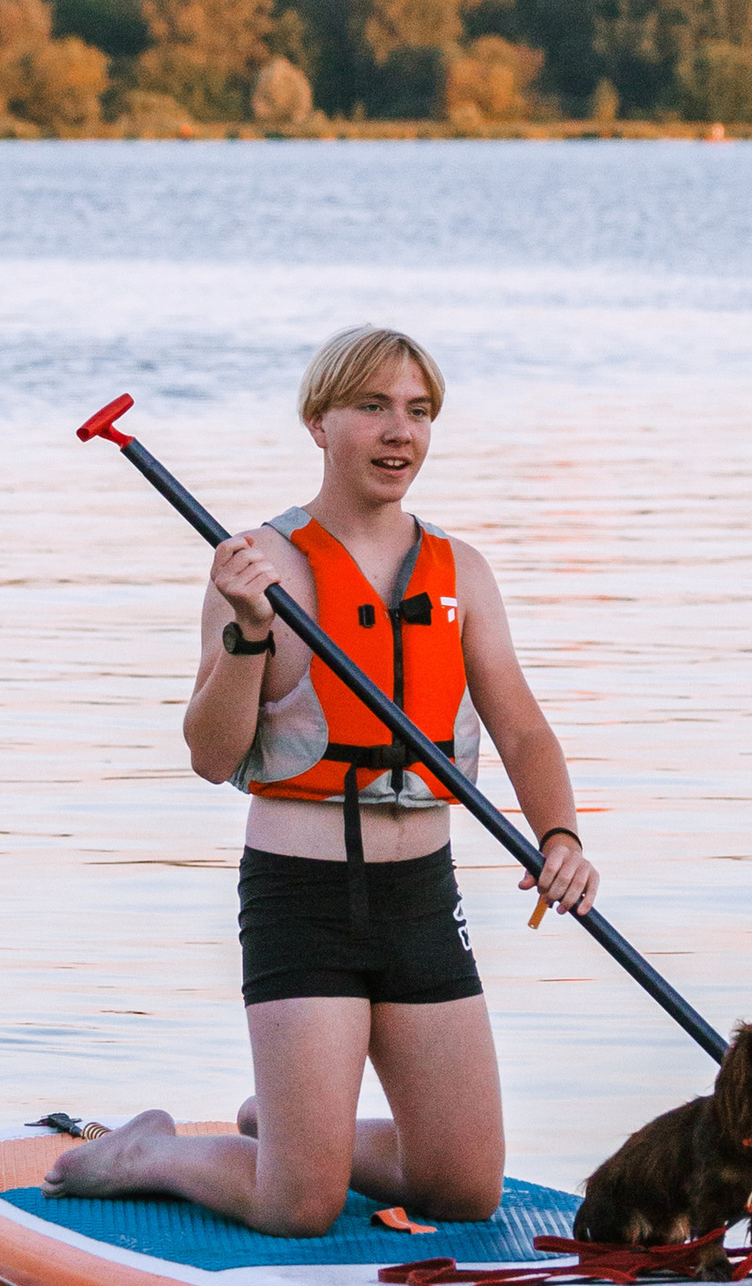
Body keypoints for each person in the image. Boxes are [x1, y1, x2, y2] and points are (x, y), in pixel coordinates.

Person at [56, 324, 598, 1234]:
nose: (400, 433)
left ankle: (295, 1126)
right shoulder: (259, 567)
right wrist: (248, 633)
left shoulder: (461, 569)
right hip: (303, 898)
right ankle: (150, 1152)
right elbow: (212, 756)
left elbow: (522, 726)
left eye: (419, 412)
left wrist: (562, 836)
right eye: (374, 407)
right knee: (297, 1206)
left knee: (464, 1190)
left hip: (422, 900)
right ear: (319, 422)